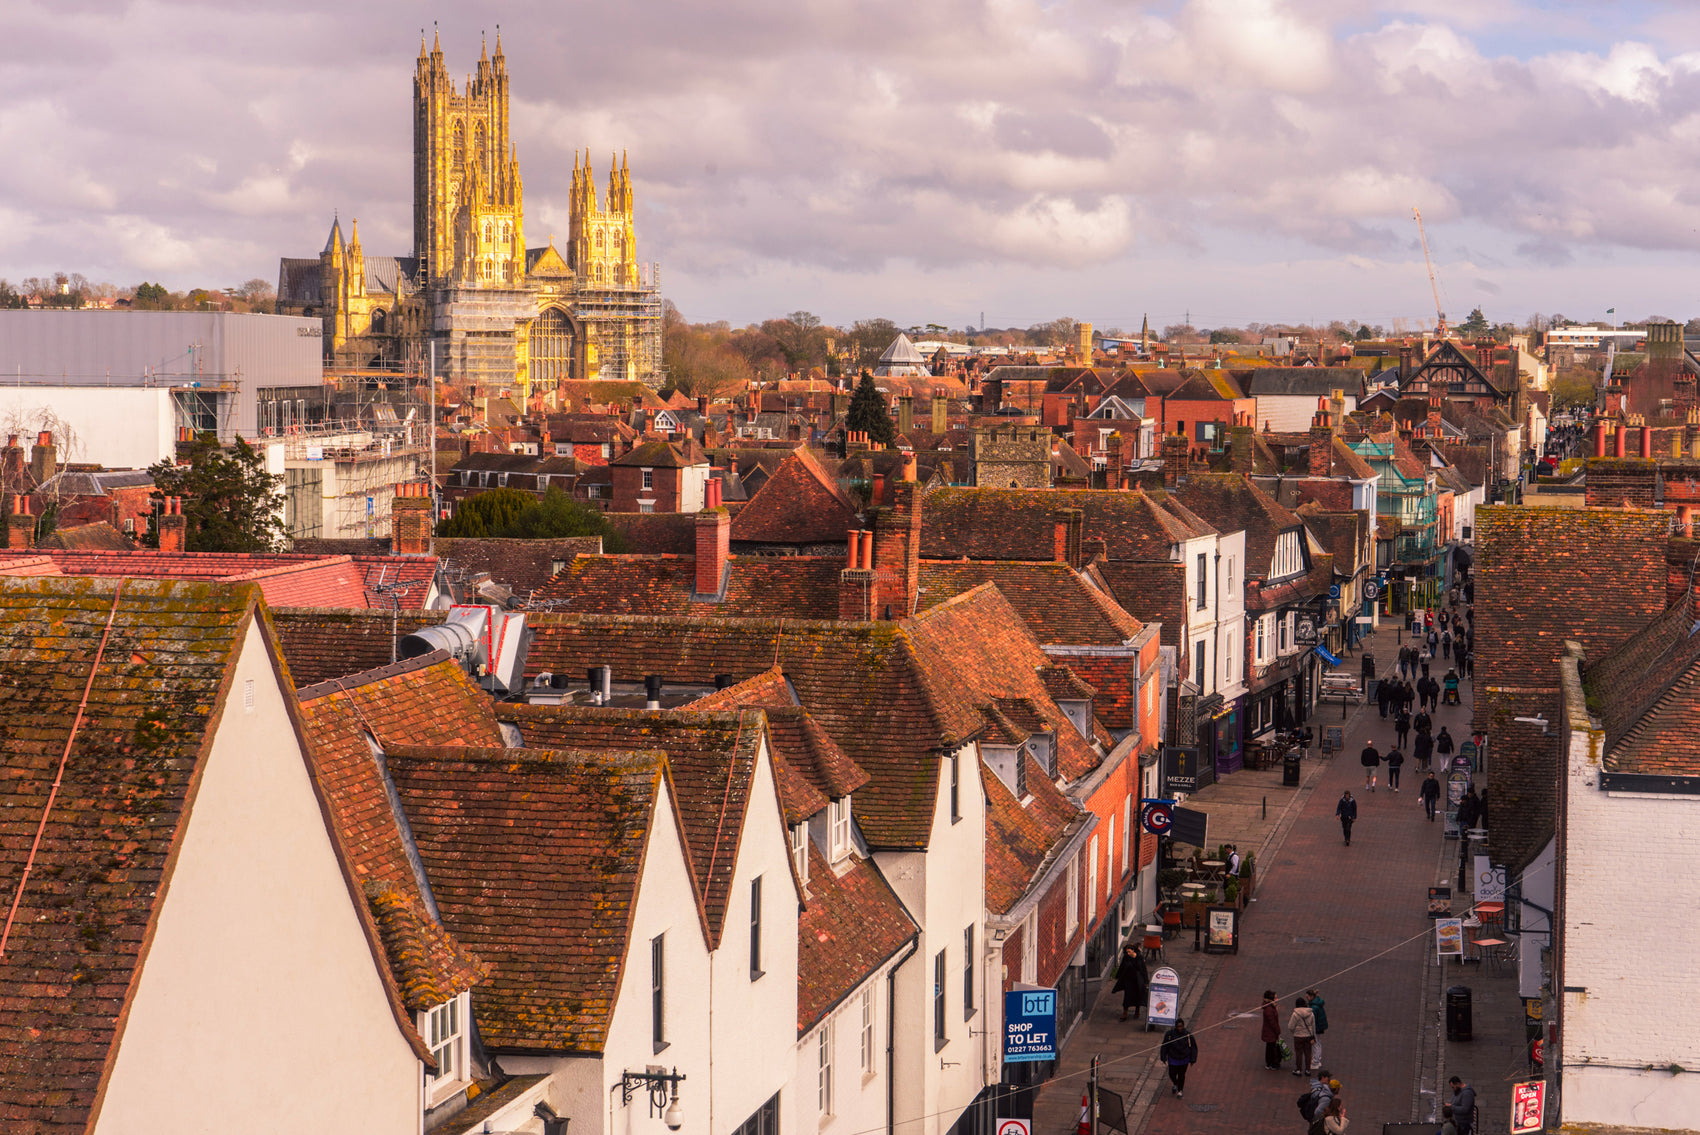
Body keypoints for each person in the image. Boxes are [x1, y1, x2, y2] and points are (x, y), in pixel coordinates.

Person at [1161, 1016, 1198, 1097]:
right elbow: (1164, 1046)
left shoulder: (1188, 1035)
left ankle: (1180, 1090)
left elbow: (1193, 1048)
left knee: (1181, 1075)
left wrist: (1193, 1059)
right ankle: (1175, 1083)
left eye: (1181, 1026)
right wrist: (1163, 1057)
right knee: (1172, 1074)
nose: (1179, 1028)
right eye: (1178, 1026)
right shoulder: (1169, 1035)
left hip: (1184, 1059)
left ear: (1183, 1026)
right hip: (1173, 1058)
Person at [1112, 940, 1148, 1021]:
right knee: (1127, 996)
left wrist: (1146, 981)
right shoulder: (1126, 957)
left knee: (1138, 995)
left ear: (1133, 950)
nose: (1127, 953)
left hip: (1138, 980)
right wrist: (1117, 976)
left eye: (1129, 952)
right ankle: (1125, 1013)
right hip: (1129, 980)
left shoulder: (1139, 957)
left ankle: (1137, 1011)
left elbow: (1143, 969)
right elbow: (1121, 967)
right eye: (1126, 952)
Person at [1288, 996, 1317, 1076]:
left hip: (1298, 1036)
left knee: (1299, 1053)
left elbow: (1290, 1026)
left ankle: (1298, 1070)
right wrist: (1313, 1035)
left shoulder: (1295, 1014)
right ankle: (1308, 1070)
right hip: (1308, 1036)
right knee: (1308, 1053)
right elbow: (1313, 1025)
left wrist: (1295, 1032)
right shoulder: (1311, 1013)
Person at [1261, 990, 1283, 1069]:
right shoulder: (1269, 1010)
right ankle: (1273, 1063)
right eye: (1275, 998)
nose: (1277, 999)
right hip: (1271, 1033)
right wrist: (1278, 1031)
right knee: (1272, 1048)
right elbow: (1273, 1023)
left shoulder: (1269, 1008)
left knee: (1270, 1047)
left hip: (1269, 1032)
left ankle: (1269, 1063)